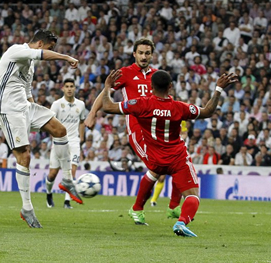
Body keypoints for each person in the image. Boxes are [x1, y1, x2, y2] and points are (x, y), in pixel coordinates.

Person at [102, 69, 237, 237]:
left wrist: (107, 86)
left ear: (151, 86)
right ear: (171, 87)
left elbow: (107, 106)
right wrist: (218, 89)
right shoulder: (179, 108)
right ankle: (180, 222)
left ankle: (141, 208)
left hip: (155, 158)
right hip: (177, 158)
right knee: (193, 196)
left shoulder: (140, 104)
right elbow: (208, 111)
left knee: (152, 175)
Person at [0, 30, 83, 228]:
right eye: (50, 47)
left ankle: (67, 179)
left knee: (59, 129)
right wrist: (66, 57)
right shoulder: (17, 50)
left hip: (25, 108)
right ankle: (27, 208)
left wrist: (34, 118)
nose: (50, 52)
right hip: (7, 110)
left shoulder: (30, 65)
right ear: (40, 43)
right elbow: (40, 54)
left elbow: (26, 91)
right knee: (24, 156)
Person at [84, 38, 173, 219]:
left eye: (147, 53)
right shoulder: (125, 73)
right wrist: (92, 113)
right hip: (137, 130)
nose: (144, 56)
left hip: (156, 131)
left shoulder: (156, 76)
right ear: (134, 54)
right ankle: (143, 208)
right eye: (140, 52)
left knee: (170, 164)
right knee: (157, 168)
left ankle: (163, 207)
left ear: (152, 55)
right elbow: (106, 91)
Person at [45, 78, 86, 209]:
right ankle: (48, 193)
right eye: (67, 86)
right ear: (63, 88)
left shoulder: (81, 105)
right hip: (59, 142)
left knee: (71, 171)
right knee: (52, 174)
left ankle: (67, 202)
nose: (69, 89)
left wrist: (81, 138)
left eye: (71, 86)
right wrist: (55, 137)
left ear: (75, 88)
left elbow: (82, 121)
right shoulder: (57, 104)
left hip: (74, 142)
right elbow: (50, 122)